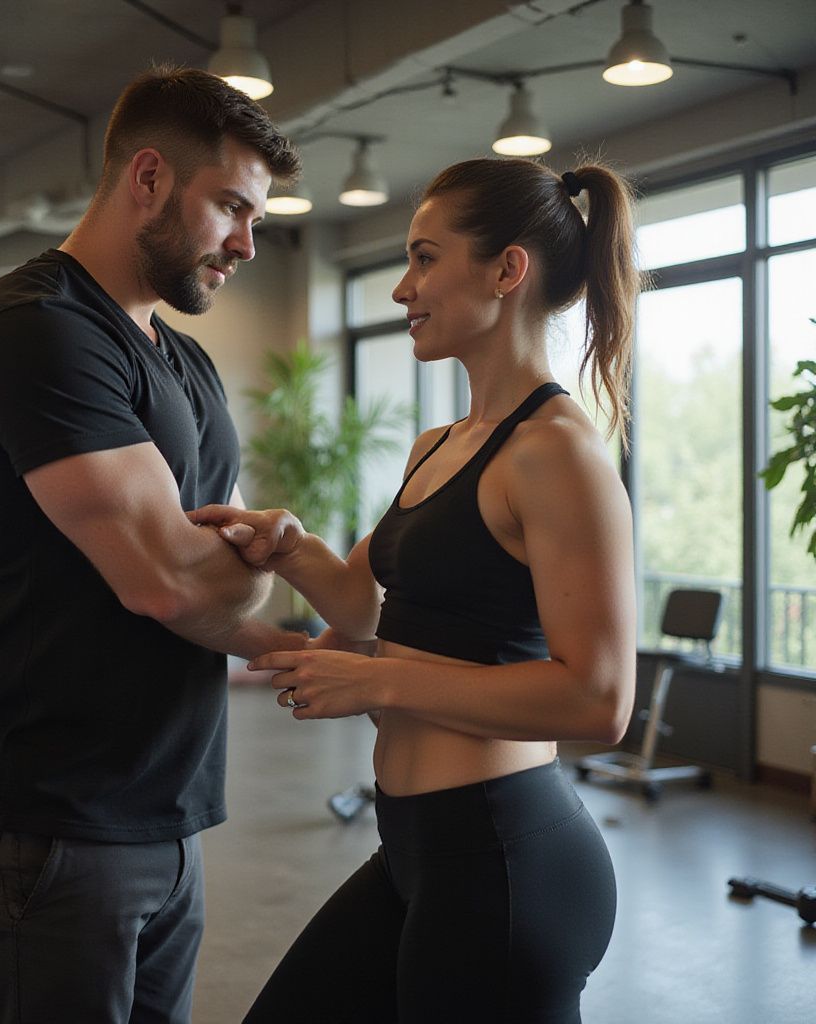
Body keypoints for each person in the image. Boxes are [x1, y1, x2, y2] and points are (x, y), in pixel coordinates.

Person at [192, 157, 640, 1023]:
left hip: (505, 858)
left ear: (508, 271)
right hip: (414, 849)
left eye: (426, 258)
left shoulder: (556, 454)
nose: (403, 288)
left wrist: (379, 681)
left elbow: (599, 702)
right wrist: (291, 546)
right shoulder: (440, 444)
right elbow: (361, 603)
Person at [0, 64, 303, 1024]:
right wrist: (250, 570)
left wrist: (306, 652)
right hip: (45, 827)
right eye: (231, 207)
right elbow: (175, 585)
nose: (248, 243)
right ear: (148, 177)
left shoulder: (183, 357)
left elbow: (230, 552)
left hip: (164, 812)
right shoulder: (38, 331)